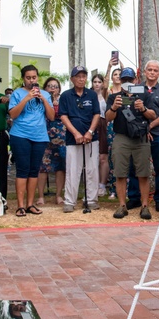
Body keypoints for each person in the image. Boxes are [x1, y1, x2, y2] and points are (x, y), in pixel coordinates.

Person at [106, 67, 157, 219]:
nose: (127, 82)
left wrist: (143, 108)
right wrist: (114, 107)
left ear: (135, 80)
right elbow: (108, 118)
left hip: (140, 138)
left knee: (143, 173)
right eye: (124, 80)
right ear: (120, 81)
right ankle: (122, 206)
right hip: (122, 137)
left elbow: (153, 115)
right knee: (120, 173)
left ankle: (145, 206)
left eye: (130, 79)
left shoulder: (144, 95)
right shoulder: (114, 97)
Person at [8, 64, 54, 217]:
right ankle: (20, 206)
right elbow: (13, 115)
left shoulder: (45, 95)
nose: (31, 80)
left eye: (34, 77)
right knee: (22, 170)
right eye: (28, 78)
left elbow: (52, 116)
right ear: (23, 79)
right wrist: (26, 98)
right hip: (20, 135)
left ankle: (30, 204)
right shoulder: (17, 93)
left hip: (39, 136)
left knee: (34, 170)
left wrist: (43, 99)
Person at [127, 60, 159, 211]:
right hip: (138, 134)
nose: (152, 72)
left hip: (158, 134)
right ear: (145, 72)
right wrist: (143, 129)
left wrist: (149, 127)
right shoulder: (136, 88)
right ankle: (134, 198)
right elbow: (130, 111)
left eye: (155, 70)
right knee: (135, 167)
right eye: (150, 69)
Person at [59, 66, 101, 212]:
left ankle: (91, 199)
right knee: (73, 170)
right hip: (73, 138)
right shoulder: (65, 95)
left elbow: (97, 114)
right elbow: (63, 116)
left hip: (91, 138)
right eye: (78, 76)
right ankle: (70, 201)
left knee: (92, 169)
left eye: (84, 76)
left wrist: (90, 131)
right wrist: (76, 133)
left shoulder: (91, 94)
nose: (81, 79)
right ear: (72, 79)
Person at [38, 77, 67, 205]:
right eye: (50, 86)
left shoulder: (64, 101)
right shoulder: (40, 100)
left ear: (59, 89)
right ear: (45, 88)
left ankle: (58, 195)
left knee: (60, 167)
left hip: (61, 137)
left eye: (55, 86)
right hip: (44, 136)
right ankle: (40, 196)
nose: (52, 88)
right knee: (43, 167)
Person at [92, 71, 112, 199]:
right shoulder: (88, 95)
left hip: (104, 125)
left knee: (103, 157)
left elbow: (107, 81)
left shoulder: (105, 94)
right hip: (91, 125)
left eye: (99, 82)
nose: (97, 84)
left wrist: (110, 66)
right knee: (92, 158)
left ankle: (102, 185)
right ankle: (92, 185)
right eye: (95, 82)